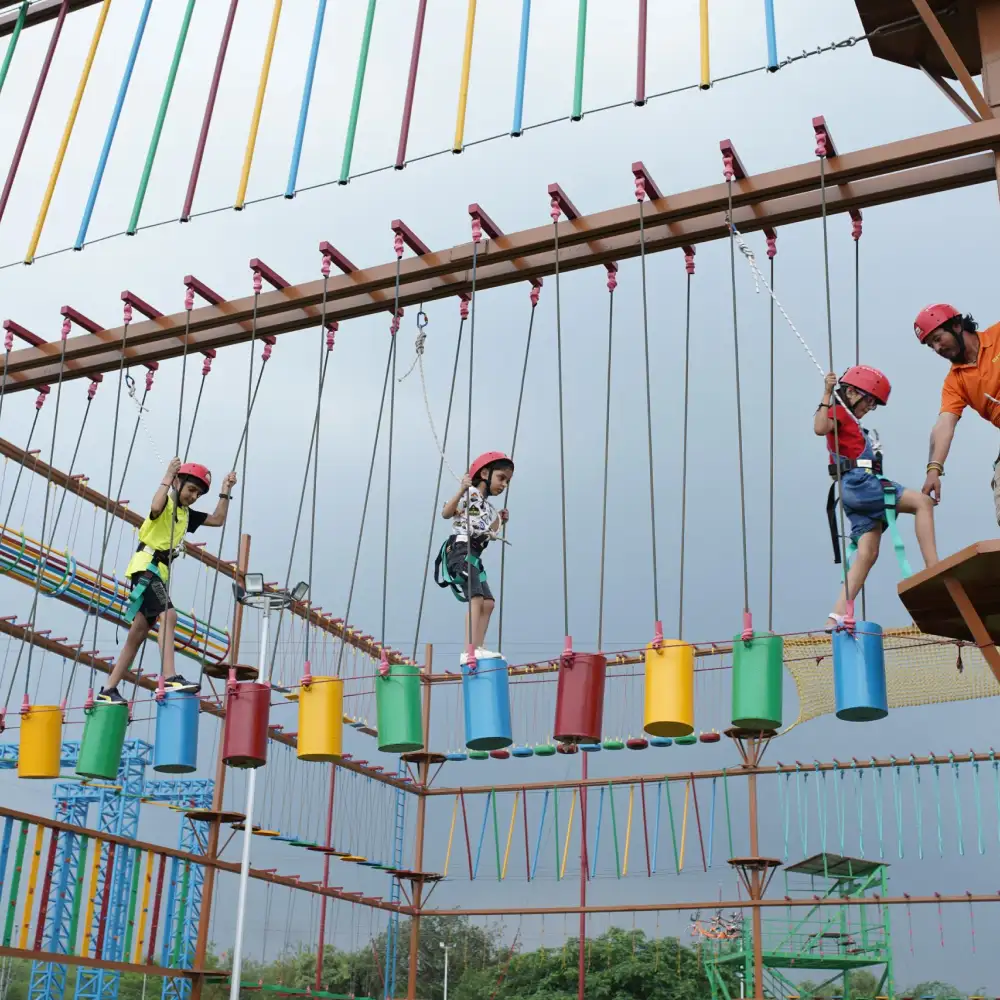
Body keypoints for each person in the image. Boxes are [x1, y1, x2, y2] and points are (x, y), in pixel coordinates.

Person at [97, 457, 237, 705]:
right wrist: (167, 477)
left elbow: (217, 519)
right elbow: (154, 505)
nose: (193, 496)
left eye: (198, 494)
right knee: (168, 615)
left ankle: (108, 689)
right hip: (146, 567)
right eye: (191, 489)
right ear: (178, 483)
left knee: (138, 633)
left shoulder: (184, 514)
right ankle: (171, 676)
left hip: (157, 572)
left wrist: (225, 491)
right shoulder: (167, 504)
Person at [816, 366, 938, 631]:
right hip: (861, 484)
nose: (870, 408)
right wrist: (826, 392)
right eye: (869, 401)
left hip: (852, 491)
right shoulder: (838, 412)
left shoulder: (851, 422)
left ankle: (836, 615)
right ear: (850, 392)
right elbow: (819, 427)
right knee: (923, 503)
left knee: (868, 553)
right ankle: (933, 571)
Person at [916, 304, 1000, 522]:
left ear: (956, 325)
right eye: (931, 345)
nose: (937, 348)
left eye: (937, 338)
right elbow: (945, 424)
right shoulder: (955, 382)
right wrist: (933, 469)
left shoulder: (997, 335)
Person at [436, 451, 513, 663]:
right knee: (476, 598)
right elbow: (446, 513)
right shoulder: (470, 493)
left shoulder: (488, 507)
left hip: (473, 555)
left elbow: (490, 532)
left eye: (507, 481)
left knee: (488, 603)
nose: (504, 484)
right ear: (485, 473)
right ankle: (470, 649)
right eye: (501, 478)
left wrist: (500, 520)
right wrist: (462, 489)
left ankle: (478, 646)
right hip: (460, 550)